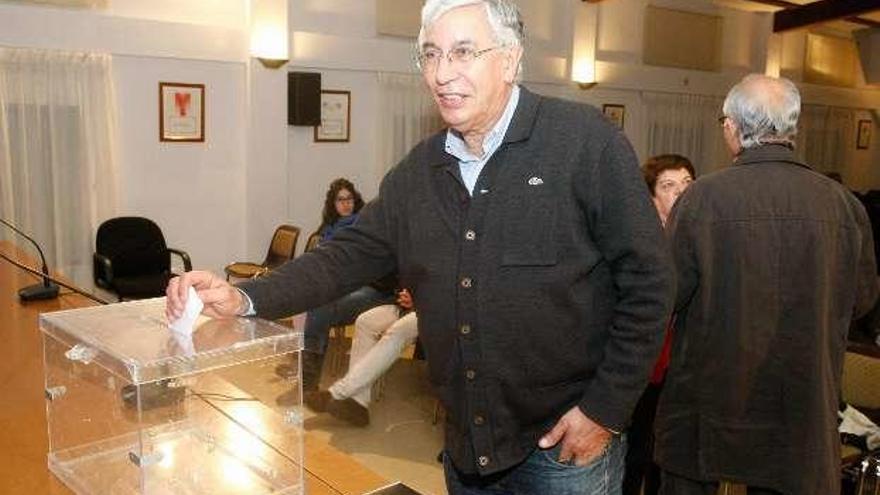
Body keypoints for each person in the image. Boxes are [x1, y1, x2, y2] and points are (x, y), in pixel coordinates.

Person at [168, 1, 674, 492]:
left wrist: (604, 411)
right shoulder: (417, 173)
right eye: (430, 54)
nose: (441, 73)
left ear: (511, 58)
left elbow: (651, 283)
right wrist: (245, 297)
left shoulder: (586, 143)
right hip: (464, 448)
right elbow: (343, 257)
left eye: (462, 52)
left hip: (565, 449)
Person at [654, 74, 878, 495]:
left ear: (732, 127)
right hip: (801, 400)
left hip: (710, 400)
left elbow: (665, 296)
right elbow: (862, 301)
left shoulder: (702, 199)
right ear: (792, 129)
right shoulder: (844, 205)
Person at [277, 178, 396, 400]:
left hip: (380, 290)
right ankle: (306, 380)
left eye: (349, 199)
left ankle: (306, 383)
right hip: (355, 283)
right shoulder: (332, 228)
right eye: (340, 200)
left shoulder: (366, 225)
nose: (346, 205)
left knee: (320, 303)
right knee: (313, 301)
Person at [623, 154, 695, 495]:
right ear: (652, 197)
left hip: (684, 368)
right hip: (642, 364)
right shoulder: (638, 242)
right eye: (669, 186)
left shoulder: (700, 238)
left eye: (687, 185)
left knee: (666, 458)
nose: (681, 193)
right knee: (635, 450)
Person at [305, 289, 419, 427]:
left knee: (398, 330)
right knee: (365, 321)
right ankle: (358, 403)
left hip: (440, 309)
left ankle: (337, 393)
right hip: (408, 304)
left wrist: (422, 298)